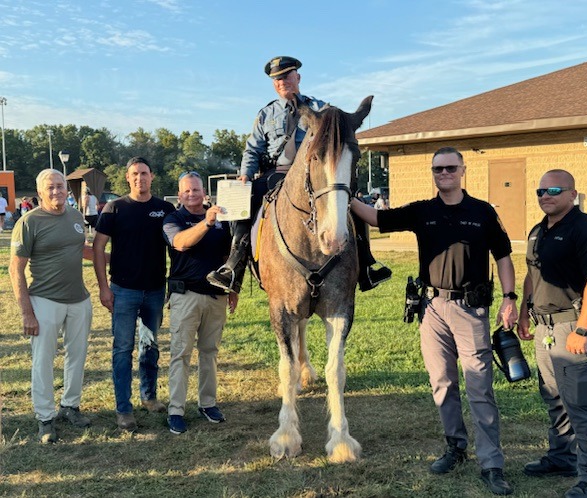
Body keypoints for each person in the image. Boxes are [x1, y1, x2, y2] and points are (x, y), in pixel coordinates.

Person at [351, 146, 517, 496]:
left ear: (463, 170)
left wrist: (509, 298)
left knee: (479, 388)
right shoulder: (422, 211)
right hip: (431, 309)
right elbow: (378, 219)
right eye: (438, 169)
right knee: (442, 382)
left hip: (471, 311)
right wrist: (343, 195)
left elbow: (503, 256)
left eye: (450, 168)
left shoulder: (482, 212)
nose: (444, 174)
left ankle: (492, 463)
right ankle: (455, 447)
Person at [207, 56, 391, 294]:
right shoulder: (266, 114)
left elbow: (337, 133)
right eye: (277, 79)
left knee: (350, 200)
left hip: (314, 173)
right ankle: (235, 265)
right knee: (246, 201)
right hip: (276, 174)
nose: (282, 81)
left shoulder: (321, 108)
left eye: (286, 76)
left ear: (298, 77)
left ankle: (366, 264)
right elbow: (252, 148)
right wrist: (245, 174)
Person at [517, 170, 587, 498]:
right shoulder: (537, 231)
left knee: (581, 406)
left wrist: (583, 330)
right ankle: (561, 458)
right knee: (554, 398)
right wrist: (523, 314)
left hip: (574, 327)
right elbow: (532, 274)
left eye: (554, 190)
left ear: (572, 193)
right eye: (541, 190)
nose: (546, 195)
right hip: (545, 326)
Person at [9, 168, 93, 443]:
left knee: (77, 356)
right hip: (44, 300)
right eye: (51, 187)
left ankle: (70, 406)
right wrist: (26, 312)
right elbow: (15, 269)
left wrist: (119, 257)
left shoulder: (74, 215)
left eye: (60, 186)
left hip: (79, 299)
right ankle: (45, 418)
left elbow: (80, 248)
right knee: (43, 361)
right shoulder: (29, 222)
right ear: (40, 193)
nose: (57, 191)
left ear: (66, 189)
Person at [93, 156, 176, 431]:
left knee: (150, 347)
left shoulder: (165, 209)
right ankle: (123, 409)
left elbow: (177, 247)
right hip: (123, 291)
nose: (140, 178)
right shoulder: (114, 209)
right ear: (127, 178)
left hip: (154, 290)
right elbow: (97, 248)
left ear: (152, 176)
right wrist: (104, 288)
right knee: (122, 349)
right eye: (134, 174)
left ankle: (149, 396)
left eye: (144, 173)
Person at [162, 172, 238, 434]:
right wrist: (206, 223)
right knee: (181, 353)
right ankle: (176, 409)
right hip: (186, 295)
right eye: (187, 191)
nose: (192, 195)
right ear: (180, 194)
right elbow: (181, 243)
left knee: (210, 352)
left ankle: (208, 403)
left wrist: (233, 287)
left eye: (196, 190)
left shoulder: (223, 218)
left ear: (204, 192)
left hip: (216, 294)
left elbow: (230, 253)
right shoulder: (174, 219)